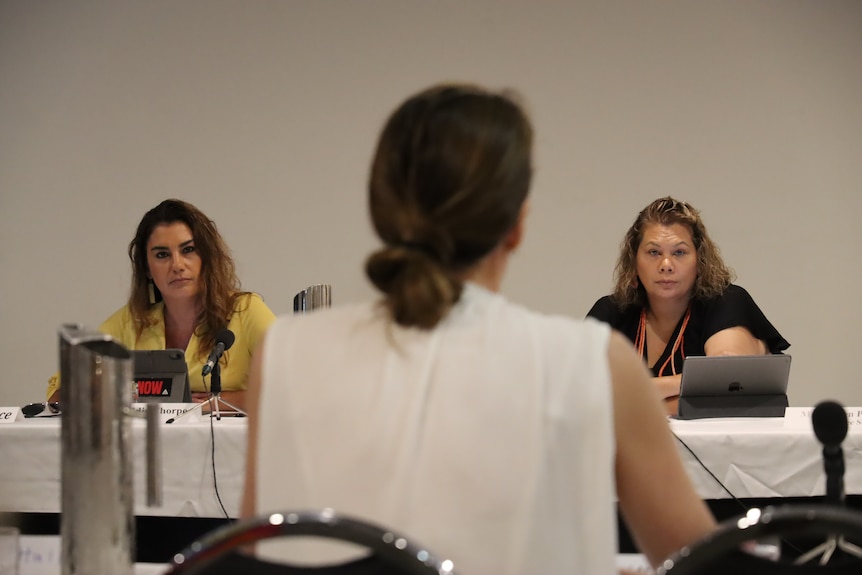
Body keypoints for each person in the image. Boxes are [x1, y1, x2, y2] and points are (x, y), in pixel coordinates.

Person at [241, 85, 716, 575]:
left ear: (382, 213)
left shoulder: (286, 353)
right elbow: (703, 563)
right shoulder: (594, 363)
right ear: (517, 224)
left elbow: (258, 554)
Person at [47, 199, 276, 411]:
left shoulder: (245, 310)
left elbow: (300, 387)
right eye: (162, 255)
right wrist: (120, 396)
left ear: (207, 257)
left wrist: (216, 402)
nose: (177, 265)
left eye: (188, 250)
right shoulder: (131, 321)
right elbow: (58, 396)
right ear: (147, 268)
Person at [587, 196, 790, 416]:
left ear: (700, 262)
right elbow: (578, 394)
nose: (666, 265)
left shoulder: (726, 302)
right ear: (634, 263)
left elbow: (726, 385)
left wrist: (629, 400)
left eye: (679, 253)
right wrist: (686, 387)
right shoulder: (612, 311)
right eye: (654, 252)